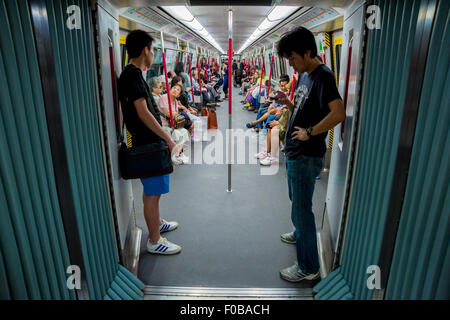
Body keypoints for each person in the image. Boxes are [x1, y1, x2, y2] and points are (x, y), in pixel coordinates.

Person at [276, 27, 345, 282]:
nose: (291, 65)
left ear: (307, 52)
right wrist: (289, 104)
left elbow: (338, 113)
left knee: (302, 210)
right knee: (296, 200)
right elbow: (306, 108)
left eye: (293, 59)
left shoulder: (323, 76)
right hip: (295, 152)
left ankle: (308, 267)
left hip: (306, 155)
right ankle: (299, 232)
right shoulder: (305, 75)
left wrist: (310, 131)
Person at [118, 30, 182, 255]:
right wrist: (169, 140)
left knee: (153, 191)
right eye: (153, 49)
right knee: (153, 193)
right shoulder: (132, 76)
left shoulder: (135, 74)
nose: (154, 53)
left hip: (150, 143)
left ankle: (158, 222)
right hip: (147, 144)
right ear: (145, 49)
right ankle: (155, 240)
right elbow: (144, 114)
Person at [157, 84, 191, 165]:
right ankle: (175, 155)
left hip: (172, 125)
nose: (175, 90)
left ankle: (176, 155)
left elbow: (176, 113)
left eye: (177, 90)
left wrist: (174, 113)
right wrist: (174, 113)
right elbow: (168, 113)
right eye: (174, 88)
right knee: (172, 134)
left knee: (184, 132)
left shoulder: (175, 102)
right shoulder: (164, 98)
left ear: (178, 95)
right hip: (163, 125)